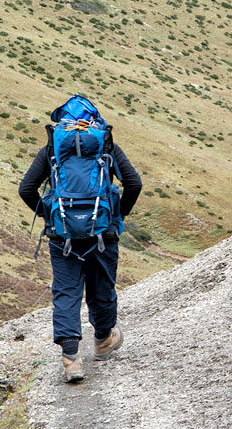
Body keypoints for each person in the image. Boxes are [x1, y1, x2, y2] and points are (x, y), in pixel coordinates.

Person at [17, 108, 142, 383]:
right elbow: (134, 184)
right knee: (102, 287)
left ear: (62, 122)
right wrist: (117, 216)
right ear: (95, 121)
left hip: (62, 236)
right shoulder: (105, 146)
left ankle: (71, 360)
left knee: (66, 292)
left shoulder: (52, 149)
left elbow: (26, 189)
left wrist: (49, 215)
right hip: (102, 233)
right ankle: (103, 340)